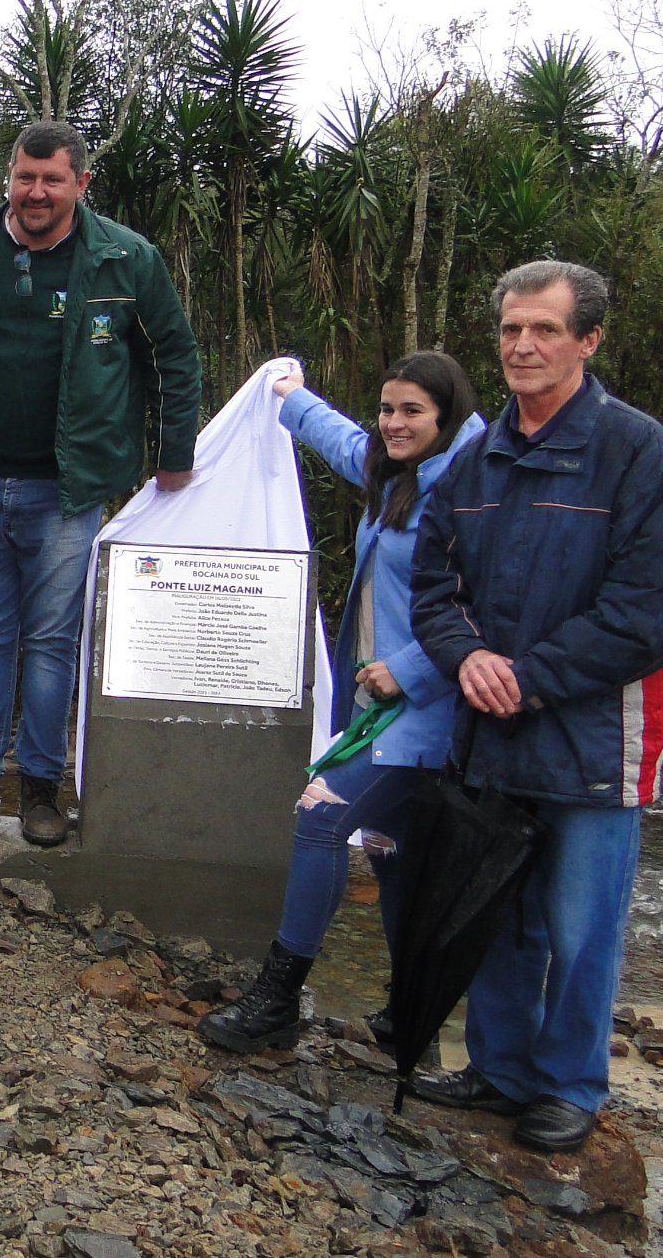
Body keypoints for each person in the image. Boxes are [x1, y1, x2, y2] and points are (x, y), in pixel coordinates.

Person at [406, 261, 663, 1153]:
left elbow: (658, 609)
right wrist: (471, 660)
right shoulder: (477, 456)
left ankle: (570, 1083)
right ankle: (499, 1069)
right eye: (509, 330)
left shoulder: (637, 450)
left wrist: (526, 675)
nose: (523, 346)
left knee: (582, 926)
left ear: (588, 340)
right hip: (493, 730)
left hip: (592, 738)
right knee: (498, 908)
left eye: (543, 329)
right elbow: (433, 587)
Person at [195, 352, 486, 1054]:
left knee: (323, 814)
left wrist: (411, 669)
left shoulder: (474, 488)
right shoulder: (398, 474)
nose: (393, 422)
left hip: (429, 707)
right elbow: (349, 444)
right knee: (391, 851)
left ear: (446, 416)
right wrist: (290, 398)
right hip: (377, 705)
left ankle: (276, 997)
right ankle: (409, 1013)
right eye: (387, 407)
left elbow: (492, 605)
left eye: (412, 410)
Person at [0, 120, 203, 845]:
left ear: (82, 183)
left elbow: (175, 354)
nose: (36, 192)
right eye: (25, 176)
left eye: (53, 179)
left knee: (52, 641)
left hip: (69, 488)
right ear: (9, 177)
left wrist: (175, 453)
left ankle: (41, 792)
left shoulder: (125, 258)